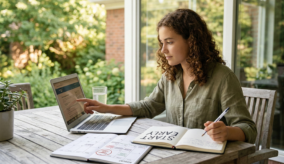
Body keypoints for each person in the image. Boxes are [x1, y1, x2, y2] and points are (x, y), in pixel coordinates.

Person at [77, 9, 257, 144]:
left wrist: (226, 132)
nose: (163, 50)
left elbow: (248, 128)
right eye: (162, 43)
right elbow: (149, 106)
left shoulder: (223, 78)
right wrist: (107, 108)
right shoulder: (171, 75)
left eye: (169, 42)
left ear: (191, 41)